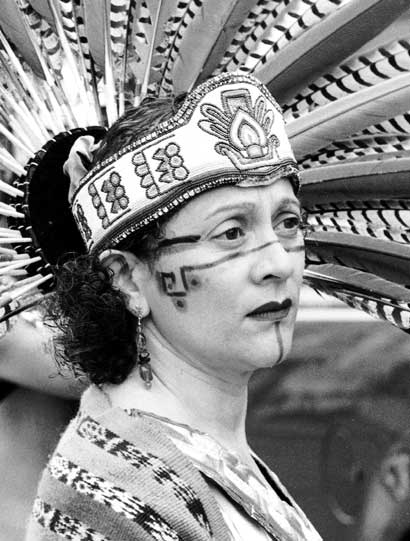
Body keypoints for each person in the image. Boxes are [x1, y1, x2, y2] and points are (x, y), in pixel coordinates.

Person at [26, 73, 322, 540]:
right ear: (126, 278)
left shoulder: (198, 448)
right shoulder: (113, 494)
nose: (277, 263)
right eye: (231, 233)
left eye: (287, 223)